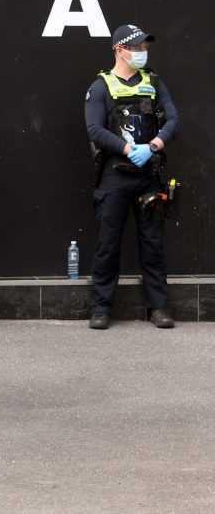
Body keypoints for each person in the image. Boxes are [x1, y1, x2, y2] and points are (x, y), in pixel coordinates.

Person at [84, 24, 179, 330]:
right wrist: (126, 148)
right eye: (135, 47)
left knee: (152, 243)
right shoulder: (101, 86)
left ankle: (159, 307)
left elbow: (173, 118)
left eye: (144, 47)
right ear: (119, 49)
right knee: (108, 244)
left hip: (148, 173)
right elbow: (95, 130)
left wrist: (153, 146)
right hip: (116, 175)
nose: (141, 52)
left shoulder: (153, 81)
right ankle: (100, 308)